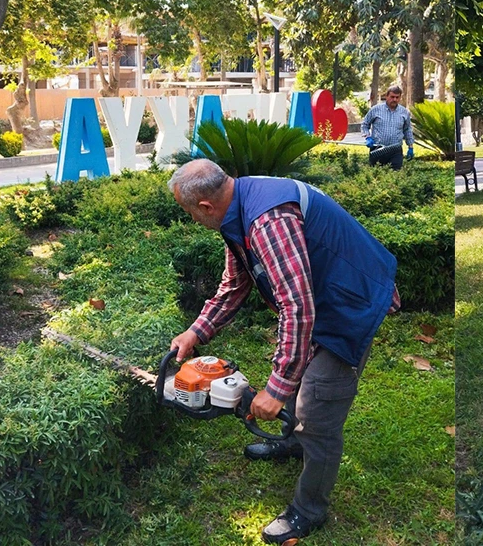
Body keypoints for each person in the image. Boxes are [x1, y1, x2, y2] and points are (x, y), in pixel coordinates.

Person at [167, 159, 400, 544]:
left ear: (205, 206)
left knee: (318, 410)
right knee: (294, 378)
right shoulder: (238, 207)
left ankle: (308, 509)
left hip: (349, 303)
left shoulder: (266, 220)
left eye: (190, 213)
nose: (192, 219)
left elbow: (297, 307)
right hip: (321, 298)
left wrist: (275, 389)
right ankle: (293, 444)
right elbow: (236, 284)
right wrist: (197, 330)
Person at [361, 85, 414, 169]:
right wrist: (367, 137)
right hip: (377, 149)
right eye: (392, 97)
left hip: (395, 151)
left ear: (400, 97)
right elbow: (365, 124)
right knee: (376, 176)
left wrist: (410, 147)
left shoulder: (404, 112)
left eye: (397, 97)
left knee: (395, 177)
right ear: (386, 96)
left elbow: (407, 130)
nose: (394, 100)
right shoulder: (375, 109)